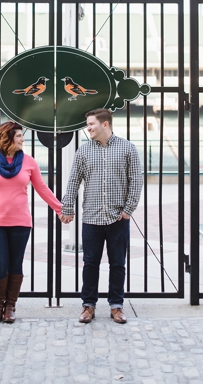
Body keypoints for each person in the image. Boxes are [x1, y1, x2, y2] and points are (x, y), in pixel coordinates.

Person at [0, 121, 63, 324]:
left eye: (22, 136)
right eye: (19, 136)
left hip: (21, 222)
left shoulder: (29, 162)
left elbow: (42, 189)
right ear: (6, 137)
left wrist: (59, 209)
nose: (23, 139)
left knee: (15, 265)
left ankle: (11, 306)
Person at [60, 108, 143, 324]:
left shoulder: (128, 148)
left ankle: (116, 306)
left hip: (118, 218)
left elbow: (136, 180)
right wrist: (67, 208)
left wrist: (128, 210)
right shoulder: (83, 151)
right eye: (87, 125)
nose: (88, 128)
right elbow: (73, 181)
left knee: (118, 264)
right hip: (92, 219)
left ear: (105, 124)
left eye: (91, 124)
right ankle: (88, 305)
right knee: (90, 264)